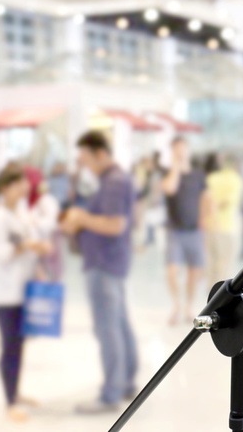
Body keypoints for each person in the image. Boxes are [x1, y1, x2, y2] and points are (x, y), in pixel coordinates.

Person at [62, 131, 138, 414]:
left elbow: (115, 225)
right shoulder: (111, 180)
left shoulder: (114, 182)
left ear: (101, 154)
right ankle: (126, 381)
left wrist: (81, 218)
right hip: (111, 261)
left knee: (108, 328)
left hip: (104, 263)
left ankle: (110, 394)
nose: (83, 165)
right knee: (118, 323)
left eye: (85, 159)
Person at [0, 167, 51, 422]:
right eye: (17, 183)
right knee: (10, 346)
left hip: (23, 289)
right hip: (3, 294)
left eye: (24, 182)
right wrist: (26, 246)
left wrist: (38, 255)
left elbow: (30, 241)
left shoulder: (20, 212)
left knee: (19, 344)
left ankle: (16, 391)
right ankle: (9, 401)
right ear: (4, 188)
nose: (24, 186)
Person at [161, 137, 209, 324]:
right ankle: (176, 304)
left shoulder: (198, 175)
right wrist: (175, 166)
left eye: (183, 149)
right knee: (172, 270)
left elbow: (205, 198)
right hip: (175, 231)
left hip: (194, 230)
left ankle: (189, 306)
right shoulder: (168, 173)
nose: (180, 153)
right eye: (176, 150)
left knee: (194, 271)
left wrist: (204, 220)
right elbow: (170, 189)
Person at [205, 153, 243, 283]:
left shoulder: (211, 178)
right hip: (226, 227)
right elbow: (227, 201)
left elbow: (204, 200)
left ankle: (210, 290)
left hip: (208, 225)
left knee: (211, 260)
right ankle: (220, 293)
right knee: (224, 262)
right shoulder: (235, 179)